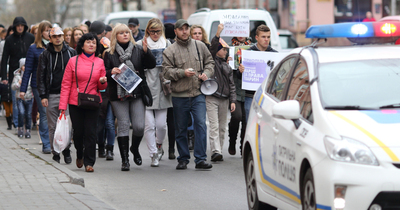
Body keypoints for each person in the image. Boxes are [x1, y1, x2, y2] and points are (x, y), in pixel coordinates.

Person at [162, 19, 215, 170]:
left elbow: (210, 63)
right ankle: (183, 158)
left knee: (200, 124)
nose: (184, 31)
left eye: (186, 28)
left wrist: (206, 73)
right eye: (181, 29)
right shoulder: (169, 51)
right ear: (176, 31)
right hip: (180, 95)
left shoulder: (200, 46)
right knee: (180, 129)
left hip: (198, 93)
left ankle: (200, 159)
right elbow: (166, 71)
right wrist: (181, 73)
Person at [104, 23, 156, 171]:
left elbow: (151, 65)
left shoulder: (138, 49)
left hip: (137, 92)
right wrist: (110, 71)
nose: (125, 35)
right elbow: (104, 71)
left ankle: (134, 148)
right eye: (121, 33)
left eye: (127, 32)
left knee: (139, 126)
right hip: (118, 94)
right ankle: (125, 160)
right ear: (115, 36)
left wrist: (147, 52)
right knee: (123, 125)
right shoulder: (109, 53)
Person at [59, 33, 107, 172]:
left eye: (94, 43)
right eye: (88, 42)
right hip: (76, 102)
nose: (91, 45)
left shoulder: (100, 62)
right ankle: (79, 153)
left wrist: (102, 82)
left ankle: (89, 162)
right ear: (82, 44)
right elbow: (66, 84)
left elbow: (102, 87)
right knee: (78, 133)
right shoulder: (73, 61)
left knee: (91, 132)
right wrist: (63, 106)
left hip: (93, 101)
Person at [37, 27, 77, 164]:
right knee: (53, 126)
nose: (58, 38)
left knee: (67, 125)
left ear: (63, 36)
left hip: (68, 94)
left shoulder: (71, 53)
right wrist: (43, 96)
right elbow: (41, 76)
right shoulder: (45, 55)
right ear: (50, 38)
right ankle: (56, 152)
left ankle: (66, 149)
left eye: (60, 35)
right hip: (51, 94)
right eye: (54, 36)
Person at [137, 18, 172, 167]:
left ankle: (159, 145)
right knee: (149, 125)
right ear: (148, 31)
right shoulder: (140, 44)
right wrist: (145, 52)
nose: (155, 34)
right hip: (146, 86)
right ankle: (153, 154)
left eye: (158, 31)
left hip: (163, 86)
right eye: (152, 31)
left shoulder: (168, 44)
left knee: (161, 125)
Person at [20, 20, 52, 153]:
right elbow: (28, 70)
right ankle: (46, 144)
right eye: (46, 30)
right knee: (44, 113)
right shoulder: (34, 48)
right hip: (38, 86)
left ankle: (55, 141)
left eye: (50, 30)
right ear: (40, 33)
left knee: (53, 113)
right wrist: (22, 89)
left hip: (54, 85)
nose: (49, 33)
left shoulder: (55, 46)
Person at [1, 17, 35, 136]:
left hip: (30, 71)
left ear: (25, 26)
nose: (20, 27)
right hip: (14, 73)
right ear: (14, 26)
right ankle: (17, 125)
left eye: (22, 25)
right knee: (16, 100)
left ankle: (27, 125)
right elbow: (4, 58)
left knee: (28, 99)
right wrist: (4, 77)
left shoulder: (30, 37)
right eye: (17, 25)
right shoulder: (9, 39)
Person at [207, 24, 236, 162]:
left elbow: (232, 85)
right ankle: (215, 150)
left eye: (226, 49)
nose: (225, 51)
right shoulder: (211, 60)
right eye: (223, 49)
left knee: (222, 127)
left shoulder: (227, 65)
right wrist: (218, 34)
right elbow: (212, 47)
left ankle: (219, 148)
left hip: (224, 99)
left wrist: (233, 101)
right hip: (212, 97)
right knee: (214, 125)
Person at [239, 25, 277, 122]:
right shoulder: (248, 53)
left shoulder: (275, 54)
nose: (266, 39)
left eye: (268, 37)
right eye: (263, 37)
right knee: (251, 123)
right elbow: (240, 77)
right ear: (257, 38)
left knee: (266, 125)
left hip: (268, 97)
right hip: (250, 96)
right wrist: (241, 71)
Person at [228, 36, 252, 156]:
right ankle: (232, 141)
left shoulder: (253, 48)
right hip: (235, 90)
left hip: (249, 91)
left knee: (246, 119)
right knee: (236, 117)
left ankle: (243, 146)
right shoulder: (229, 47)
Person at [12, 58, 33, 138]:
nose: (25, 67)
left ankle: (28, 130)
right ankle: (20, 128)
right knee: (21, 113)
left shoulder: (31, 75)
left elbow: (33, 85)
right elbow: (13, 87)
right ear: (21, 66)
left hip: (29, 97)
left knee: (28, 114)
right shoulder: (17, 76)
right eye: (24, 66)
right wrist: (18, 84)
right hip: (20, 98)